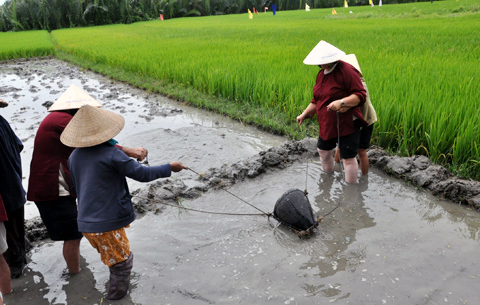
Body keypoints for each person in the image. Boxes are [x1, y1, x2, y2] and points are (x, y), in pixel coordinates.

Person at [61, 104, 188, 300]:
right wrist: (170, 167)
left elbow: (76, 189)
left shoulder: (74, 155)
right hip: (106, 224)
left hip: (87, 224)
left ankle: (115, 288)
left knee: (116, 258)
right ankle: (116, 299)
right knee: (122, 264)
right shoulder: (112, 154)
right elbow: (143, 174)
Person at [27, 84, 148, 274]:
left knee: (74, 232)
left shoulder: (60, 118)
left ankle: (75, 269)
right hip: (52, 187)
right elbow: (98, 142)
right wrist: (130, 151)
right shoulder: (63, 120)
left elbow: (99, 143)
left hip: (61, 184)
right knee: (73, 235)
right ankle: (76, 276)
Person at [297, 41, 367, 184]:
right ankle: (327, 180)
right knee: (323, 151)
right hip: (327, 123)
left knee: (348, 158)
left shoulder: (347, 70)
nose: (320, 64)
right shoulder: (321, 74)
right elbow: (317, 100)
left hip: (346, 124)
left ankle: (350, 192)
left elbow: (360, 95)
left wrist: (341, 102)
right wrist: (304, 113)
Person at [334, 54, 377, 176]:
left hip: (365, 120)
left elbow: (353, 102)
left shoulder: (359, 84)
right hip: (357, 120)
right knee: (342, 145)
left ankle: (364, 178)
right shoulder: (352, 82)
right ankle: (337, 168)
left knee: (361, 150)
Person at [0, 99, 28, 279]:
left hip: (4, 191)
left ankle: (17, 266)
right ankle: (22, 252)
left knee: (9, 231)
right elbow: (19, 146)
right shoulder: (2, 121)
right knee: (17, 225)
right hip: (14, 184)